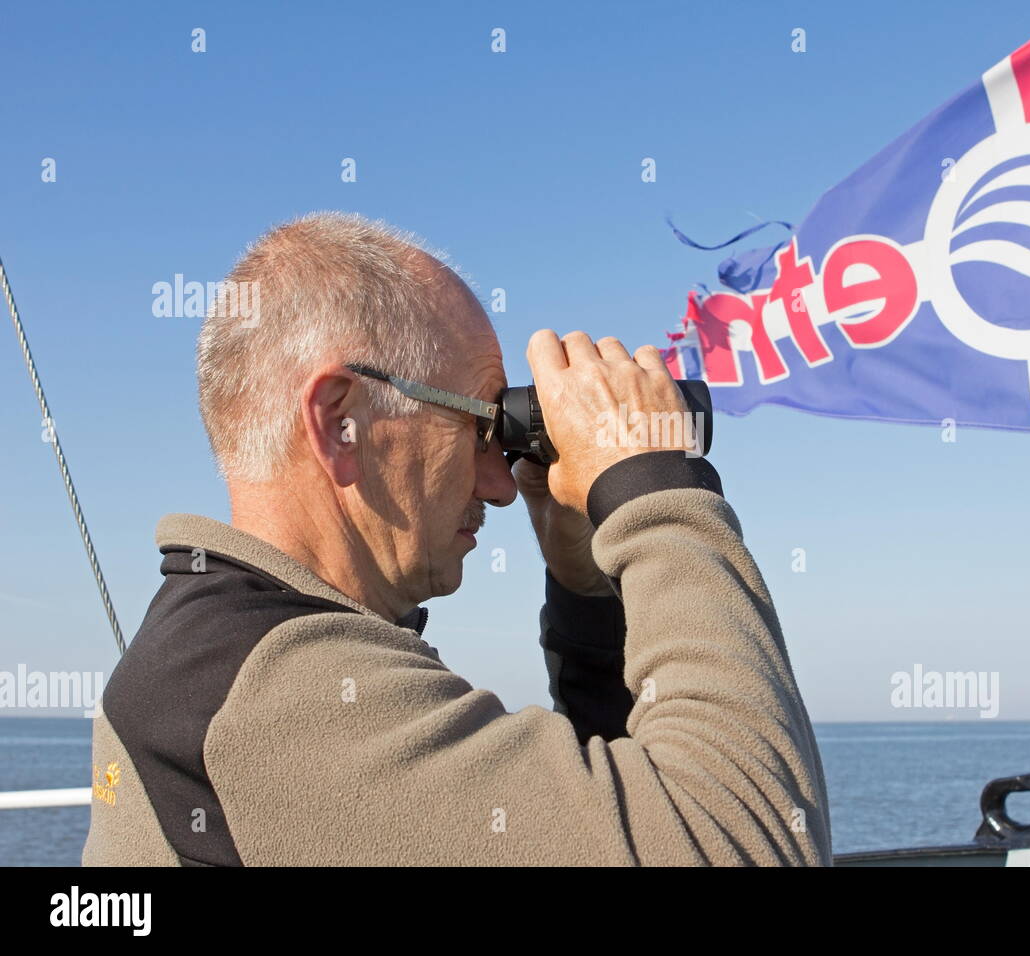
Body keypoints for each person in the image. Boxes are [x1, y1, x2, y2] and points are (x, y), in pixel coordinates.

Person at [82, 212, 831, 866]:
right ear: (341, 423)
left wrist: (583, 586)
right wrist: (652, 483)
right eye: (480, 427)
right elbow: (753, 840)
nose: (502, 484)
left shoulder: (219, 656)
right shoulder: (270, 692)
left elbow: (623, 804)